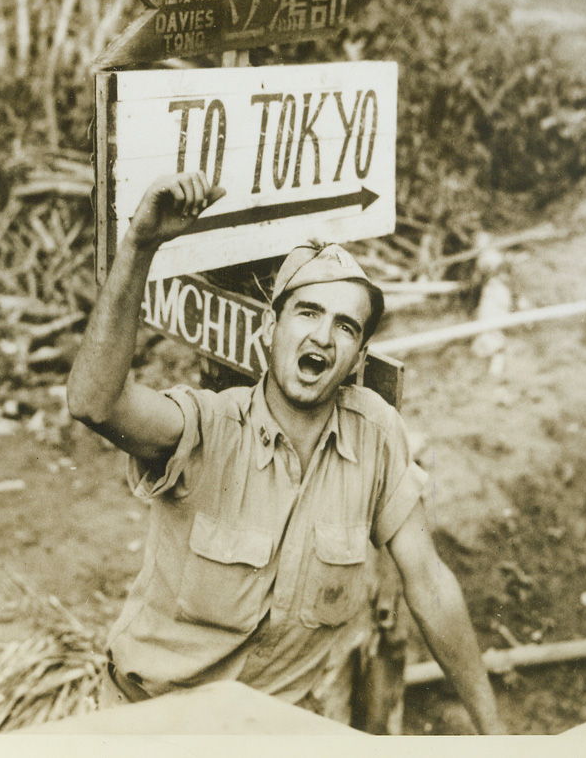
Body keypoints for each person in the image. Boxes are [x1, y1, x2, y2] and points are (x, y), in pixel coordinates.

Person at [67, 171, 505, 733]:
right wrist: (141, 244)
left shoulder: (375, 434)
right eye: (308, 313)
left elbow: (429, 583)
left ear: (357, 356)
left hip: (272, 733)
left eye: (345, 326)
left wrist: (498, 735)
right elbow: (94, 404)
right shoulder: (208, 426)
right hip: (151, 727)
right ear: (270, 327)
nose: (324, 336)